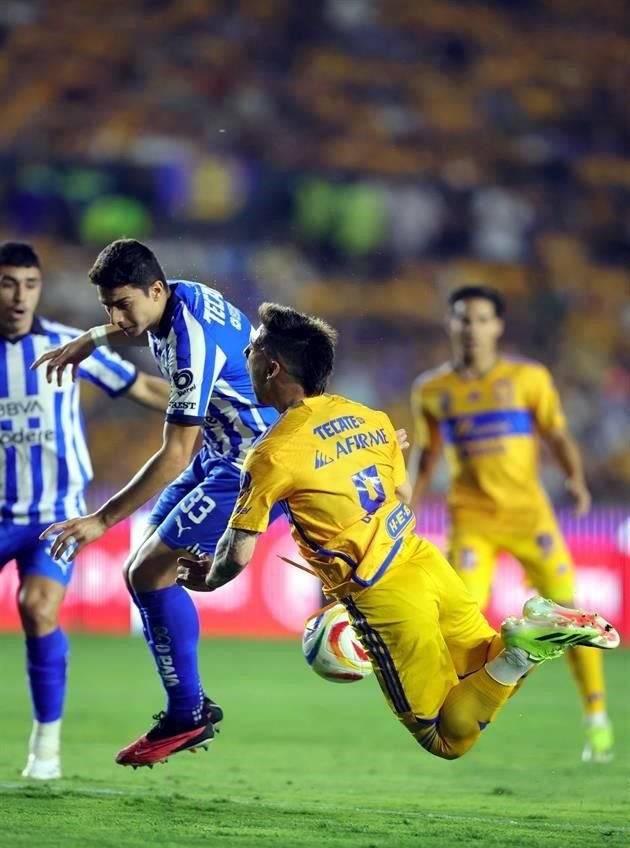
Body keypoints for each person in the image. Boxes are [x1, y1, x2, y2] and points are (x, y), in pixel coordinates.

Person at [176, 303, 618, 762]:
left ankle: (525, 649)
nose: (244, 351)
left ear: (272, 367)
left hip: (383, 595)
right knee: (484, 662)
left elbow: (238, 553)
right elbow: (401, 493)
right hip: (424, 561)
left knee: (446, 738)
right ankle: (529, 637)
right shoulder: (371, 418)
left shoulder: (272, 453)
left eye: (253, 347)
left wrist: (207, 578)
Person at [32, 239, 279, 768]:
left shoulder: (190, 340)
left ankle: (187, 713)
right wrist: (93, 339)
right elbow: (147, 322)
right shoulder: (178, 297)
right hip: (220, 453)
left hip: (249, 468)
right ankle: (187, 707)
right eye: (107, 307)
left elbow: (173, 455)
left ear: (155, 290)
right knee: (140, 570)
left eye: (122, 305)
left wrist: (101, 520)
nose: (116, 317)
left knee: (146, 572)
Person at [406, 285, 614, 762]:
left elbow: (555, 432)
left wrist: (575, 479)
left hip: (530, 516)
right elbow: (428, 453)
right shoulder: (432, 390)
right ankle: (474, 701)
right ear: (450, 325)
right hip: (472, 520)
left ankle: (596, 716)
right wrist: (411, 504)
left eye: (481, 319)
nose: (471, 328)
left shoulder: (528, 377)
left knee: (571, 614)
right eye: (462, 319)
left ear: (497, 326)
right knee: (462, 621)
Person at [0, 240, 169, 779]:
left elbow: (140, 384)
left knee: (38, 607)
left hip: (54, 514)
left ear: (40, 289)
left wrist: (213, 401)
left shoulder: (66, 345)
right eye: (8, 283)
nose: (19, 296)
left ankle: (45, 748)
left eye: (29, 284)